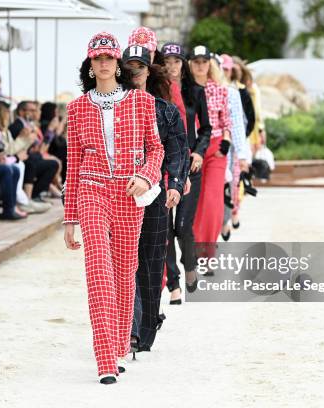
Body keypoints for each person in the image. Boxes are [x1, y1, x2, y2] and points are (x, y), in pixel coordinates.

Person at [63, 32, 164, 384]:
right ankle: (105, 359)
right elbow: (72, 162)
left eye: (109, 57)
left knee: (124, 272)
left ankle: (121, 343)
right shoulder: (75, 108)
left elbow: (156, 150)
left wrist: (147, 177)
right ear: (89, 65)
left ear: (117, 63)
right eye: (97, 58)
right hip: (92, 190)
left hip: (128, 191)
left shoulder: (141, 102)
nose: (104, 63)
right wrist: (69, 218)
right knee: (98, 271)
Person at [122, 44, 189, 353]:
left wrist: (175, 183)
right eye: (129, 66)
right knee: (125, 264)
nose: (134, 71)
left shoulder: (165, 110)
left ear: (149, 71)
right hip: (119, 195)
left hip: (155, 196)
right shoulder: (110, 109)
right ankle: (131, 329)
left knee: (151, 265)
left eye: (140, 66)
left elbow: (177, 151)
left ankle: (146, 327)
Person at [161, 42, 212, 302]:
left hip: (190, 165)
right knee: (165, 229)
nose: (171, 66)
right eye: (167, 61)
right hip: (165, 165)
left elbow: (206, 128)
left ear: (184, 65)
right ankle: (173, 284)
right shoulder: (157, 92)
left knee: (182, 227)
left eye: (176, 61)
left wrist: (200, 152)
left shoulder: (196, 91)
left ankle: (189, 263)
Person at [189, 46, 232, 272]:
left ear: (209, 63)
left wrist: (225, 144)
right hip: (193, 148)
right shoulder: (184, 90)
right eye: (195, 61)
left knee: (212, 198)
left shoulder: (220, 90)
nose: (200, 65)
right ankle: (194, 247)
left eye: (203, 61)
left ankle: (208, 252)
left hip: (215, 149)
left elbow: (226, 121)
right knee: (194, 200)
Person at [220, 54, 252, 238]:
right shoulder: (205, 90)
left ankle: (226, 220)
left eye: (226, 69)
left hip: (231, 150)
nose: (223, 72)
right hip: (211, 150)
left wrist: (243, 154)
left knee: (230, 186)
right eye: (221, 68)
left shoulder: (237, 92)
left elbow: (242, 123)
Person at [8, 101, 59, 211]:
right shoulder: (17, 126)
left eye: (35, 110)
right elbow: (18, 148)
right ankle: (28, 198)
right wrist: (50, 130)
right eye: (31, 110)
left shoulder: (29, 125)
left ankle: (35, 195)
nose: (35, 113)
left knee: (52, 164)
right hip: (19, 159)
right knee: (33, 161)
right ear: (22, 112)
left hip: (30, 157)